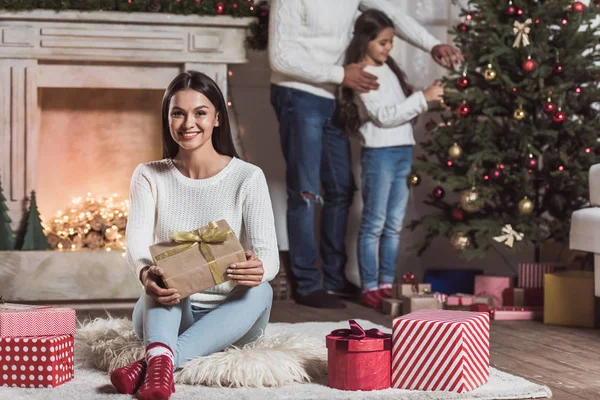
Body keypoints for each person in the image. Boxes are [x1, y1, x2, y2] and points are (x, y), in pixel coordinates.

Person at [269, 0, 461, 309]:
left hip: (335, 92)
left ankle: (333, 279)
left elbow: (394, 15)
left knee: (342, 188)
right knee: (305, 192)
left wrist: (433, 44)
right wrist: (338, 73)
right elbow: (280, 57)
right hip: (298, 94)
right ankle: (307, 283)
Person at [110, 71, 279, 400]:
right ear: (168, 118)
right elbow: (136, 244)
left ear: (217, 118)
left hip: (231, 319)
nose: (189, 123)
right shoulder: (149, 175)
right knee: (166, 274)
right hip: (166, 313)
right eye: (178, 113)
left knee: (262, 291)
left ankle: (155, 362)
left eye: (200, 112)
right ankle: (163, 359)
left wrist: (260, 269)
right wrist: (146, 273)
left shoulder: (248, 177)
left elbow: (268, 254)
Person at [336, 9, 444, 309]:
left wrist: (425, 102)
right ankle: (369, 285)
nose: (388, 48)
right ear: (365, 40)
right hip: (380, 155)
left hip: (401, 152)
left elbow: (402, 111)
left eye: (390, 42)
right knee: (374, 222)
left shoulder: (391, 71)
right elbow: (384, 117)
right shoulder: (361, 74)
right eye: (382, 42)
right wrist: (423, 98)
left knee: (394, 223)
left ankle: (386, 282)